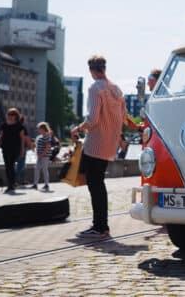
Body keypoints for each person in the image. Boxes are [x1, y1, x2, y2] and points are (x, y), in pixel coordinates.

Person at [71, 55, 140, 239]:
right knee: (98, 184)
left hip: (95, 144)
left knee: (95, 185)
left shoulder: (95, 88)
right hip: (110, 146)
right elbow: (125, 119)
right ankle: (101, 226)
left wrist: (77, 128)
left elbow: (93, 119)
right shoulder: (116, 89)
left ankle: (100, 227)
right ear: (104, 68)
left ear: (91, 70)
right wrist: (138, 127)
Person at [0, 108, 25, 193]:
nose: (9, 116)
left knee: (11, 165)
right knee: (8, 166)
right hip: (5, 148)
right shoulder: (4, 125)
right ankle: (11, 184)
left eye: (11, 115)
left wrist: (22, 150)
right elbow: (1, 136)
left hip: (15, 148)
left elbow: (22, 139)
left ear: (16, 116)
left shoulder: (19, 126)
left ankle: (11, 184)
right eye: (8, 114)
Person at [34, 122, 52, 191]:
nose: (39, 130)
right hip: (39, 156)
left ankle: (46, 184)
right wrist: (38, 154)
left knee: (44, 169)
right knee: (37, 169)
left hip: (45, 156)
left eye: (39, 129)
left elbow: (47, 146)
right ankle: (35, 184)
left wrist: (42, 154)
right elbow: (37, 146)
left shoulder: (47, 136)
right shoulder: (39, 137)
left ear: (43, 129)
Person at [15, 115, 33, 186]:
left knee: (22, 164)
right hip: (22, 148)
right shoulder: (22, 128)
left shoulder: (13, 126)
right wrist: (31, 146)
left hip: (14, 148)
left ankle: (22, 180)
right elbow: (26, 138)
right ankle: (15, 180)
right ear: (23, 120)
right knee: (21, 164)